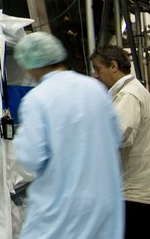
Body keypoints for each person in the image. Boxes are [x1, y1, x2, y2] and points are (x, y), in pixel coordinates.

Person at [13, 32, 123, 239]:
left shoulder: (37, 99)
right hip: (103, 212)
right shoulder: (95, 89)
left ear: (33, 64)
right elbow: (115, 137)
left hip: (60, 217)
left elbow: (31, 158)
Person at [90, 45, 150, 239]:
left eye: (98, 69)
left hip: (133, 193)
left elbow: (116, 135)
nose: (96, 76)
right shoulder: (131, 91)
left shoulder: (128, 95)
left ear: (114, 66)